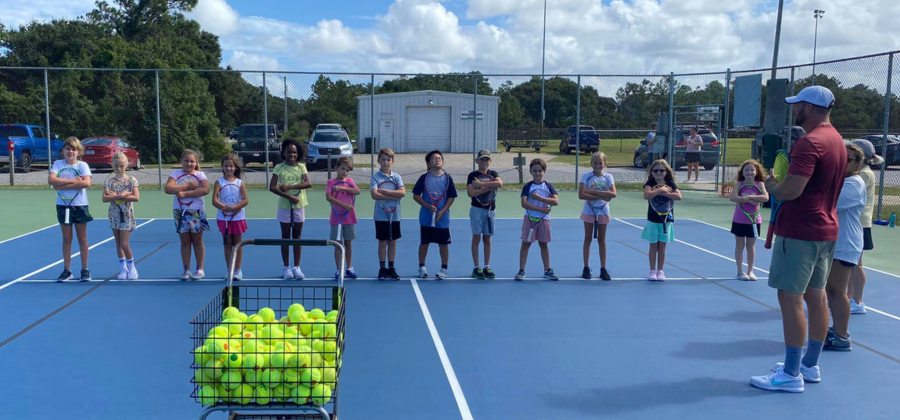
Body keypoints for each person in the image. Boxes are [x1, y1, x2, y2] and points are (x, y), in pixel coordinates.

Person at [750, 85, 846, 393]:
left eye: (799, 105)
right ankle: (809, 365)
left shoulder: (810, 142)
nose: (794, 109)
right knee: (816, 297)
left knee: (790, 299)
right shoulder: (837, 141)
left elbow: (792, 190)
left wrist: (773, 185)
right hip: (826, 230)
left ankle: (791, 374)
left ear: (811, 108)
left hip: (801, 232)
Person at [822, 143, 866, 352]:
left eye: (848, 159)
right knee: (824, 290)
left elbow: (828, 202)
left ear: (858, 164)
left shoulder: (854, 183)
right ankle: (832, 330)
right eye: (841, 157)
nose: (843, 161)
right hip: (829, 240)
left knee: (836, 290)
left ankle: (841, 336)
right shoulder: (838, 179)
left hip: (845, 242)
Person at [50, 137, 94, 282]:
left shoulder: (83, 165)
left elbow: (86, 183)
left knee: (82, 238)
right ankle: (67, 270)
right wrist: (75, 181)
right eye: (68, 148)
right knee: (67, 238)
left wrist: (61, 186)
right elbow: (52, 181)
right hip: (62, 206)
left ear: (78, 151)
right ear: (63, 150)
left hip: (80, 205)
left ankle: (85, 269)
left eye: (74, 149)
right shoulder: (57, 164)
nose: (70, 151)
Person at [847, 138, 883, 314]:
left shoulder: (865, 174)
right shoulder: (859, 172)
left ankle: (858, 301)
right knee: (847, 263)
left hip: (860, 224)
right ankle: (847, 298)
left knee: (856, 264)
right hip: (852, 222)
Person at [165, 149, 210, 280]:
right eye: (186, 161)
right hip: (180, 212)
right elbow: (168, 188)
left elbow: (205, 189)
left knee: (197, 240)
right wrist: (186, 185)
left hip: (197, 211)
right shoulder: (175, 174)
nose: (189, 164)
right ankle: (186, 269)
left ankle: (200, 268)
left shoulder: (200, 175)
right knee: (185, 241)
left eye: (192, 161)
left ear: (196, 162)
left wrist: (185, 193)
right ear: (181, 161)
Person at [270, 139, 311, 280]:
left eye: (294, 152)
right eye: (289, 152)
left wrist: (291, 188)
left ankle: (297, 267)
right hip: (285, 206)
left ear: (298, 153)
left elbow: (308, 183)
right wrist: (288, 196)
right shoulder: (279, 167)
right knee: (285, 236)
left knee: (297, 236)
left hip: (299, 205)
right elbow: (272, 187)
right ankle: (286, 267)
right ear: (284, 153)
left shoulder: (301, 167)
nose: (292, 155)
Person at [412, 150, 457, 279]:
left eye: (439, 158)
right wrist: (427, 206)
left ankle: (444, 269)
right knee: (424, 242)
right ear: (428, 163)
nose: (436, 160)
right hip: (426, 217)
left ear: (443, 162)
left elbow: (451, 197)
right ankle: (422, 267)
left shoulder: (448, 178)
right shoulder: (424, 178)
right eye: (433, 158)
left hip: (442, 218)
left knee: (443, 244)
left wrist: (442, 211)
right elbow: (416, 196)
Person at [515, 158, 560, 281]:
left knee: (543, 244)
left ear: (544, 171)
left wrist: (539, 198)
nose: (537, 173)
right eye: (534, 170)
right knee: (525, 244)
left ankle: (547, 270)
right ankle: (521, 270)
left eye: (540, 170)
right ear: (530, 172)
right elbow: (524, 204)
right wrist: (540, 209)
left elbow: (555, 201)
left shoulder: (549, 186)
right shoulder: (528, 186)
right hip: (529, 219)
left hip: (544, 220)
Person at [578, 151, 616, 280]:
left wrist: (592, 192)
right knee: (587, 239)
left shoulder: (609, 177)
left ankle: (603, 269)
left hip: (603, 212)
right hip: (589, 211)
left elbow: (613, 194)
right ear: (591, 164)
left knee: (602, 240)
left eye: (600, 163)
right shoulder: (586, 176)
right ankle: (586, 268)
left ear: (604, 164)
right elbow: (581, 195)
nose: (597, 165)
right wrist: (603, 194)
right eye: (595, 163)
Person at [102, 152, 140, 280]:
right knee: (118, 243)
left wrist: (119, 196)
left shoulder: (131, 180)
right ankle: (123, 269)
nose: (119, 168)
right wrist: (121, 196)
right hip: (114, 214)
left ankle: (132, 268)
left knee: (124, 243)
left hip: (126, 213)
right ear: (112, 165)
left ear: (126, 165)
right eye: (116, 165)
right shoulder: (109, 181)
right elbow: (104, 198)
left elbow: (135, 197)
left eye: (122, 166)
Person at [642, 159, 681, 281]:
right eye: (655, 170)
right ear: (652, 172)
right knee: (653, 246)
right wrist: (660, 190)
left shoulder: (671, 184)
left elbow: (678, 196)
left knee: (662, 246)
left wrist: (665, 193)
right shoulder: (650, 184)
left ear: (666, 172)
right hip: (653, 220)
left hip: (666, 220)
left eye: (661, 170)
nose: (658, 172)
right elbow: (647, 195)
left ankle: (660, 270)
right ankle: (652, 271)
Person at [729, 160, 768, 280]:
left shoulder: (760, 184)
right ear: (742, 172)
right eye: (746, 170)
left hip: (754, 221)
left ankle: (750, 271)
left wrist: (750, 197)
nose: (749, 172)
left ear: (756, 172)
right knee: (740, 245)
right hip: (739, 219)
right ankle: (740, 272)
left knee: (751, 246)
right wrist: (747, 200)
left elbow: (765, 198)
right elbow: (733, 198)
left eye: (752, 170)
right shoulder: (739, 184)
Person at [212, 154, 249, 281]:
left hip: (238, 218)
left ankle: (238, 270)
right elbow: (214, 200)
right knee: (227, 244)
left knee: (238, 244)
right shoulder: (219, 182)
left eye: (231, 166)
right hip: (224, 219)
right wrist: (224, 207)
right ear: (222, 167)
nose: (228, 168)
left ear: (235, 167)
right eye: (226, 166)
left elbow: (245, 200)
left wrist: (234, 208)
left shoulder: (240, 183)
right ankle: (230, 269)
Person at [466, 149, 502, 279]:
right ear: (477, 161)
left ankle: (487, 266)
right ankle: (476, 267)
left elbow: (500, 183)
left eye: (487, 159)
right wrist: (489, 187)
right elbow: (471, 193)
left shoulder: (493, 173)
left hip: (490, 211)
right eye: (482, 159)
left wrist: (481, 185)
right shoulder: (472, 175)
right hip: (477, 210)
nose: (484, 162)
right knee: (476, 238)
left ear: (490, 161)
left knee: (487, 238)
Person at [371, 148, 405, 280]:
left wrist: (384, 192)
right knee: (382, 241)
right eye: (383, 160)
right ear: (378, 161)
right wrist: (394, 195)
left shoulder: (397, 177)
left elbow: (402, 193)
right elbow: (374, 195)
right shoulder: (375, 177)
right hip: (380, 216)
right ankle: (382, 268)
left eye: (388, 160)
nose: (386, 162)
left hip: (395, 215)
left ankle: (391, 267)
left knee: (392, 242)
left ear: (392, 161)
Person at [326, 156, 361, 280]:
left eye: (347, 170)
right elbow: (329, 198)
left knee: (348, 243)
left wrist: (342, 188)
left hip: (349, 218)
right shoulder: (330, 182)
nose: (344, 172)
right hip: (336, 218)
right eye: (342, 169)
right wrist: (344, 205)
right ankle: (338, 269)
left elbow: (357, 191)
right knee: (337, 243)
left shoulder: (349, 181)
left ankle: (349, 268)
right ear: (336, 168)